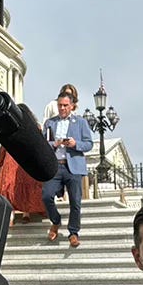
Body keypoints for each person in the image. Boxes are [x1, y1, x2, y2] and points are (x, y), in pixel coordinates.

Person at [40, 93, 94, 247]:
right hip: (55, 166)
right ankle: (56, 221)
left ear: (71, 106)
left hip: (73, 167)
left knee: (75, 201)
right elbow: (43, 145)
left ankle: (73, 232)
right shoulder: (50, 123)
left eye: (65, 105)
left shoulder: (81, 122)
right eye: (60, 105)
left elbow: (89, 144)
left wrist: (75, 144)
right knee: (46, 195)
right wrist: (54, 144)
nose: (62, 108)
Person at [0, 145, 46, 224]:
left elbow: (3, 147)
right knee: (16, 187)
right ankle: (24, 214)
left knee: (11, 187)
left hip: (16, 160)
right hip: (21, 160)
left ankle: (14, 215)